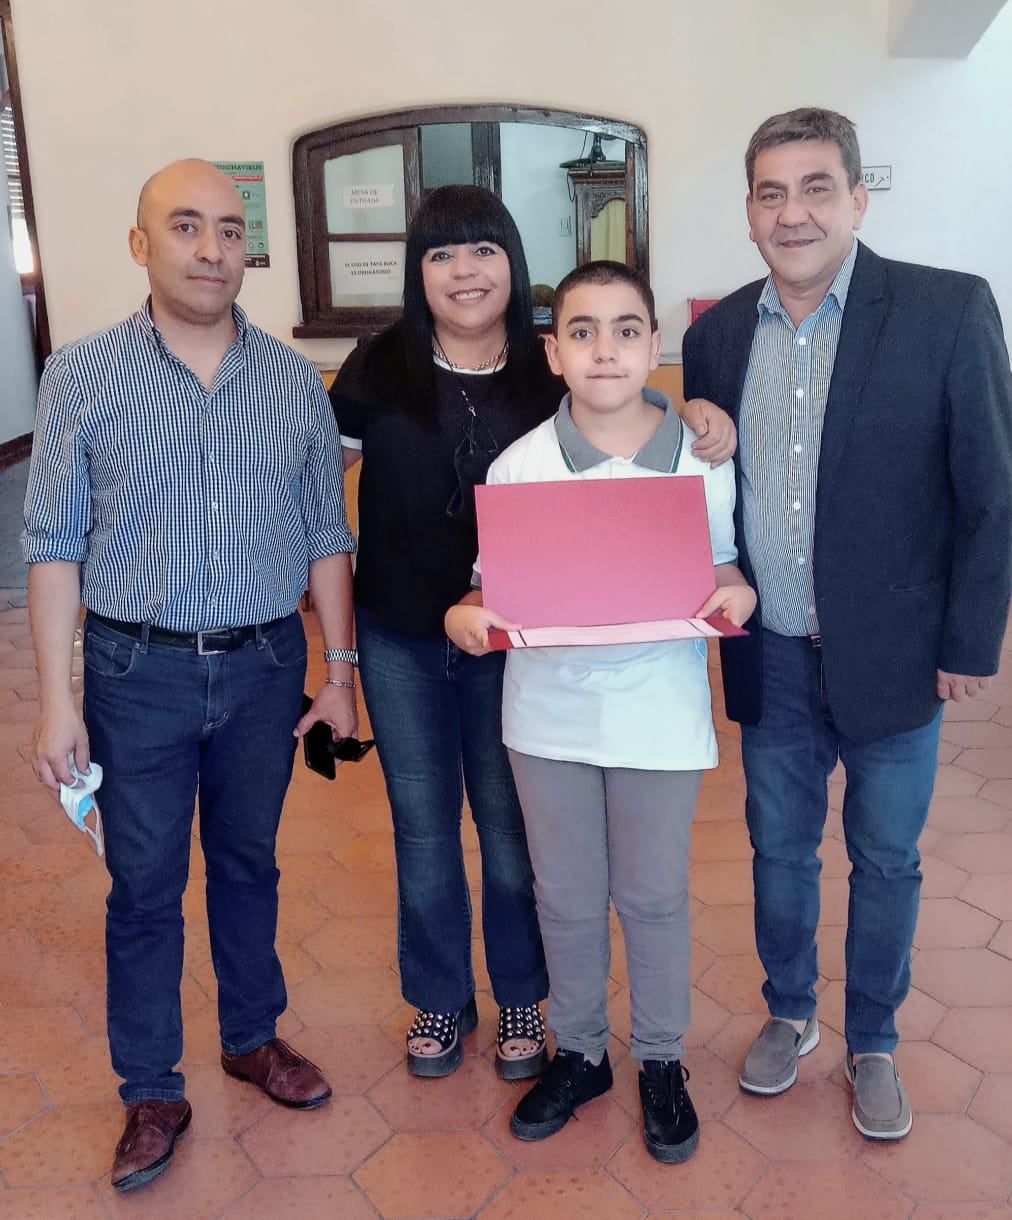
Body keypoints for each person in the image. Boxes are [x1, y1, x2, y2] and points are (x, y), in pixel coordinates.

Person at [329, 185, 738, 1080]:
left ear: (513, 264)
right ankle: (439, 1000)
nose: (464, 271)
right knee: (423, 830)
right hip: (403, 635)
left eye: (483, 249)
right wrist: (333, 650)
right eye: (441, 253)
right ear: (417, 271)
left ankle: (524, 995)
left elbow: (626, 413)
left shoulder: (546, 365)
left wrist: (698, 414)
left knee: (514, 834)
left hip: (522, 645)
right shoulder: (377, 366)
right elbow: (321, 485)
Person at [23, 159, 358, 1192]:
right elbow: (53, 544)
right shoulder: (81, 374)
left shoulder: (293, 382)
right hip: (137, 669)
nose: (212, 249)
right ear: (141, 244)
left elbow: (326, 534)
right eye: (185, 226)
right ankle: (151, 1088)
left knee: (250, 862)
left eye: (229, 229)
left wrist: (339, 672)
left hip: (265, 665)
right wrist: (57, 699)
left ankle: (252, 1036)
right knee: (146, 885)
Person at [681, 108, 1012, 1140]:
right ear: (748, 212)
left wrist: (969, 640)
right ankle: (790, 1010)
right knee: (779, 850)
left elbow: (991, 491)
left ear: (859, 199)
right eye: (771, 193)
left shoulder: (946, 310)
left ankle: (872, 1037)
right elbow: (707, 492)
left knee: (887, 856)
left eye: (817, 187)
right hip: (772, 653)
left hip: (897, 652)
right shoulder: (713, 337)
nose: (794, 213)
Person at [446, 260, 756, 1163]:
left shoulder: (700, 458)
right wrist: (466, 618)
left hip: (659, 716)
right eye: (581, 331)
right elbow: (485, 590)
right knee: (567, 896)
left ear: (654, 346)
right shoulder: (521, 465)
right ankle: (581, 1052)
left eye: (626, 330)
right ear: (554, 353)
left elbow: (724, 566)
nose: (605, 350)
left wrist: (737, 595)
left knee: (653, 897)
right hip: (549, 720)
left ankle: (660, 1058)